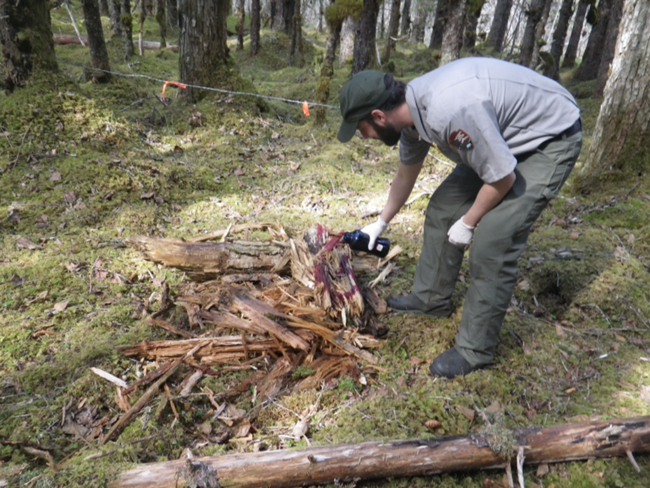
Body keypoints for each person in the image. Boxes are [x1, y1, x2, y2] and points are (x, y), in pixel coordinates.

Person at [337, 57, 582, 379]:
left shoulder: (449, 112)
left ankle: (475, 350)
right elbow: (406, 174)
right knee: (442, 209)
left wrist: (469, 223)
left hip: (548, 138)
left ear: (378, 115)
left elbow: (502, 179)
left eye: (361, 128)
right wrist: (381, 222)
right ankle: (431, 299)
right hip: (499, 135)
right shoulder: (411, 117)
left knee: (494, 241)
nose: (363, 136)